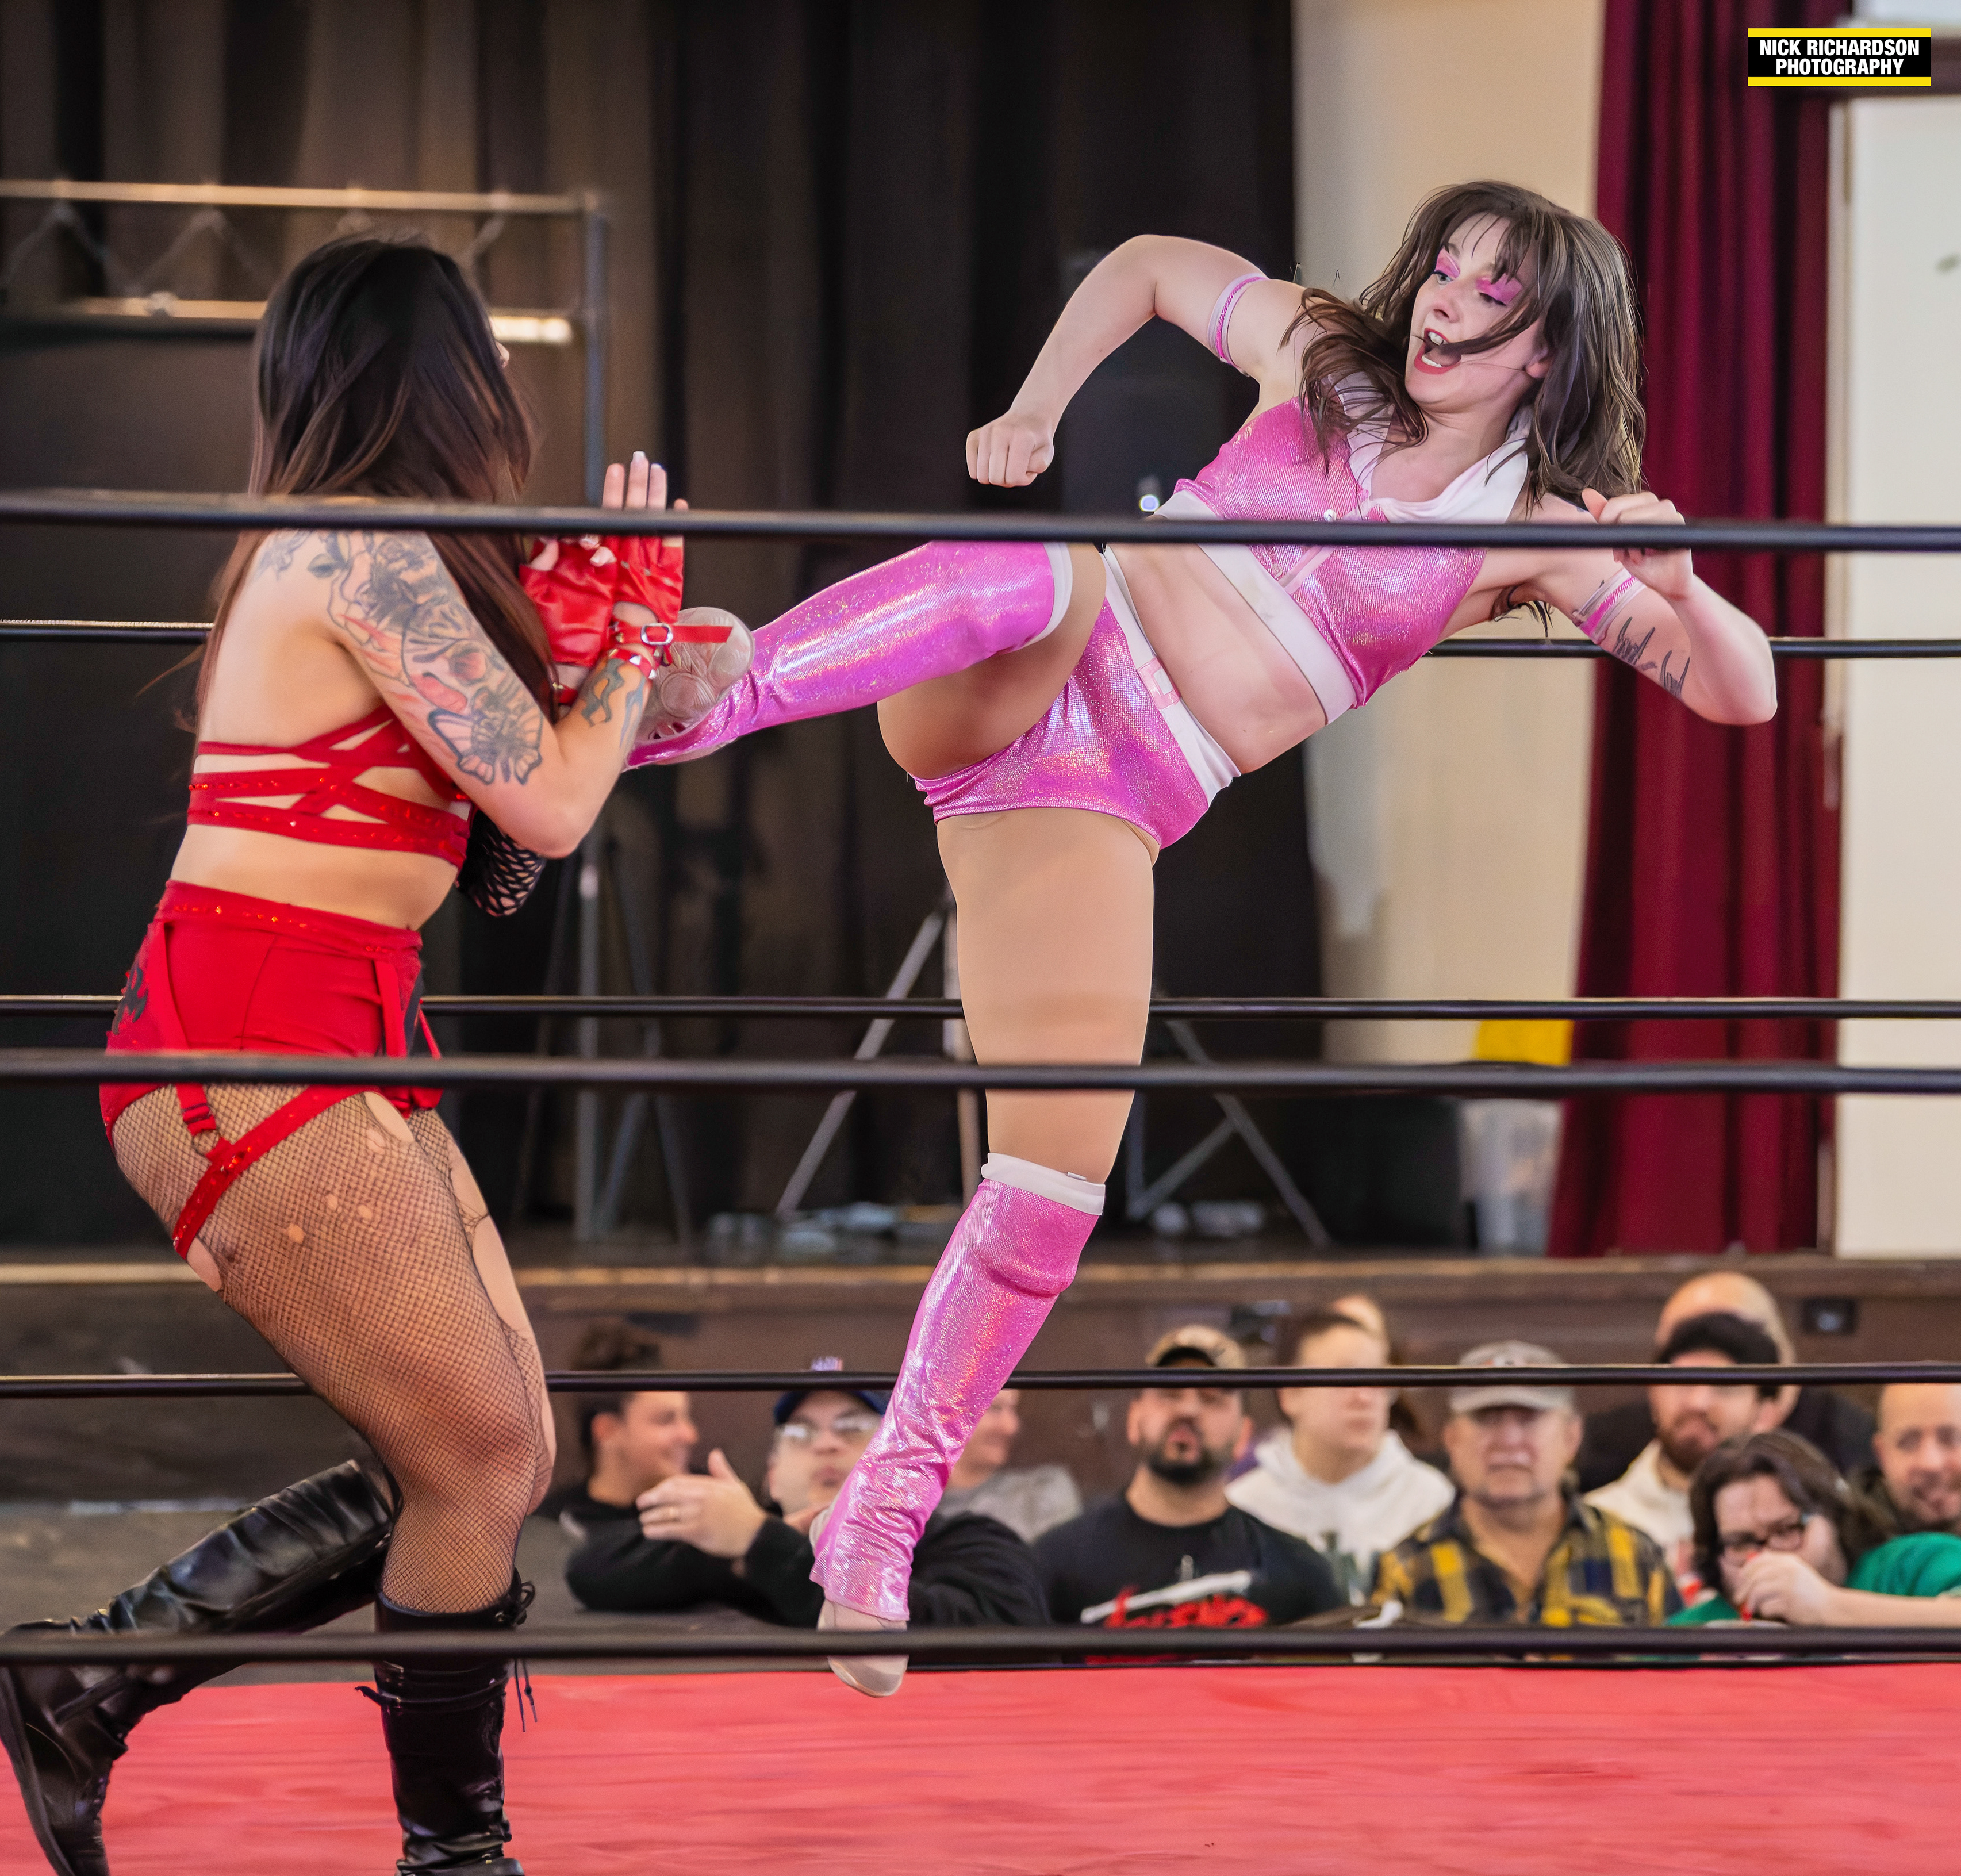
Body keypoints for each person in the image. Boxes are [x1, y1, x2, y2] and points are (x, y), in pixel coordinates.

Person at [628, 179, 1776, 1689]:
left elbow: (1743, 692)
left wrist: (1683, 590)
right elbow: (1155, 267)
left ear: (1550, 347)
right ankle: (698, 702)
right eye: (1443, 267)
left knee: (1055, 1183)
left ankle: (882, 1511)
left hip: (1107, 800)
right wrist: (1038, 407)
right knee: (1052, 562)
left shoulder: (1541, 534)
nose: (1443, 299)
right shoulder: (1325, 358)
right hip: (1020, 663)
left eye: (1490, 290)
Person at [0, 236, 746, 1876]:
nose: (511, 396)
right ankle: (442, 1873)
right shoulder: (357, 553)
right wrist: (620, 642)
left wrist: (593, 651)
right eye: (489, 364)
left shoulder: (386, 557)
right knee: (478, 1450)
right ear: (442, 376)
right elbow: (553, 810)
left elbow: (496, 865)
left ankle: (91, 1683)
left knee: (497, 1446)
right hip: (249, 1035)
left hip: (347, 1024)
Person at [563, 1372, 1044, 1633]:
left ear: (899, 1462)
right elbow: (593, 1569)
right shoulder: (739, 1542)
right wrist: (737, 1547)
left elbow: (997, 1630)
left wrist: (762, 1546)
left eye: (852, 1428)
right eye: (800, 1434)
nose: (826, 1445)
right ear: (772, 1476)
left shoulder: (966, 1541)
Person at [1033, 1327, 1342, 1632]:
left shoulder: (1298, 1575)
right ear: (1134, 1419)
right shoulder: (1052, 1566)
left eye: (1212, 1398)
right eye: (1170, 1392)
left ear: (1243, 1436)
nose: (1189, 1409)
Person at [1371, 1341, 1678, 1626]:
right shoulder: (1405, 1570)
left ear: (1571, 1436)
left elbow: (1682, 1667)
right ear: (1451, 1439)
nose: (1508, 1440)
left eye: (1529, 1418)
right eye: (1486, 1418)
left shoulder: (1637, 1556)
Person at [1225, 1305, 1453, 1601]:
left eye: (1378, 1378)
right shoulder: (1244, 1508)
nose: (1364, 1397)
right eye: (1345, 1376)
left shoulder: (1432, 1501)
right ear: (1290, 1394)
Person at [1575, 1271, 1874, 1488]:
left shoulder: (1850, 1442)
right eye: (1682, 1375)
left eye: (1725, 1380)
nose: (1699, 1401)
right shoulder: (1608, 1449)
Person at [1582, 1312, 1786, 1604]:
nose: (1698, 1402)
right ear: (1654, 1396)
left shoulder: (1793, 1529)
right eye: (1682, 1382)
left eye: (1724, 1386)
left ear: (1765, 1414)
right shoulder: (1595, 1524)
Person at [1672, 1432, 1961, 1628]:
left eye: (1786, 1531)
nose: (1767, 1559)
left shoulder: (1913, 1567)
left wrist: (1827, 1607)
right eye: (1741, 1543)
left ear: (1833, 1515)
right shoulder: (1698, 1629)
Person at [541, 1321, 699, 1536]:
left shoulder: (704, 1518)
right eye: (665, 1420)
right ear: (607, 1430)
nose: (690, 1435)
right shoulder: (549, 1529)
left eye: (686, 1417)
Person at [937, 1387, 1083, 1542]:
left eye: (1015, 1410)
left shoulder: (1040, 1491)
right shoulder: (921, 1504)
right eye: (994, 1408)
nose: (1011, 1427)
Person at [1855, 1381, 1961, 1537]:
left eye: (1950, 1439)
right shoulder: (1843, 1539)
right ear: (1882, 1455)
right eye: (1908, 1442)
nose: (1930, 1463)